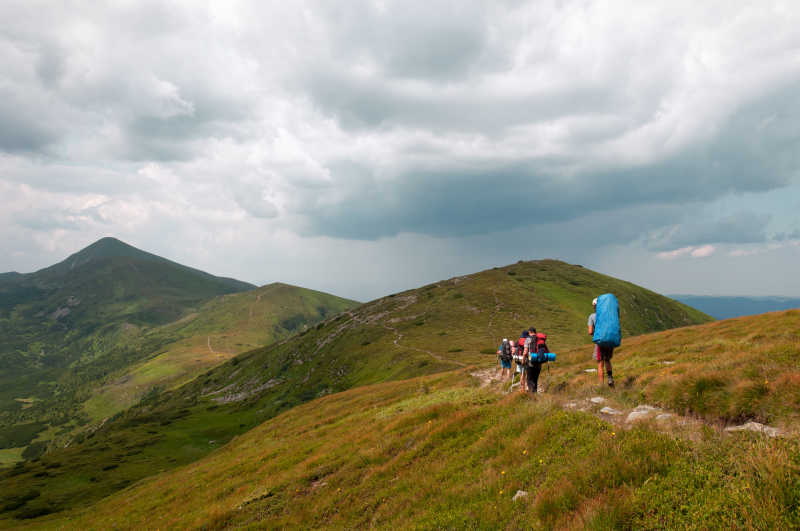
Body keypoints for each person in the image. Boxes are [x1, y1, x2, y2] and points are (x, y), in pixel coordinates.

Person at [588, 297, 615, 387]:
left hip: (600, 342)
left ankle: (601, 385)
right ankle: (610, 378)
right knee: (607, 360)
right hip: (609, 341)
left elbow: (590, 332)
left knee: (600, 363)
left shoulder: (592, 316)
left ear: (594, 306)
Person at [523, 326, 542, 394]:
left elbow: (525, 352)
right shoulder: (540, 339)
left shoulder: (528, 339)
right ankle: (535, 393)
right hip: (539, 362)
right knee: (535, 379)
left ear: (530, 332)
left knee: (529, 379)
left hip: (530, 362)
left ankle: (532, 396)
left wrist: (523, 360)